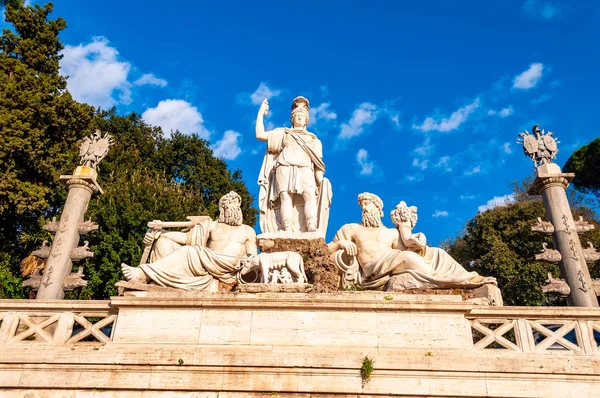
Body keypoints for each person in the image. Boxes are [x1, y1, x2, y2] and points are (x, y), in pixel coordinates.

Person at [328, 193, 495, 290]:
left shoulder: (391, 232)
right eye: (362, 205)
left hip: (392, 264)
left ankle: (465, 277)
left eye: (368, 204)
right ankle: (445, 280)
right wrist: (340, 244)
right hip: (371, 271)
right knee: (406, 258)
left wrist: (416, 239)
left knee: (438, 253)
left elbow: (409, 248)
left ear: (379, 210)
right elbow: (326, 251)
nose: (364, 208)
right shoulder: (350, 228)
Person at [121, 192, 257, 291]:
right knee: (163, 242)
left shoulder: (248, 230)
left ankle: (143, 274)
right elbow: (186, 238)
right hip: (205, 262)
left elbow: (253, 256)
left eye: (235, 204)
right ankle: (155, 280)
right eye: (228, 204)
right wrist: (160, 234)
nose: (232, 207)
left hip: (229, 267)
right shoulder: (211, 225)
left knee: (189, 251)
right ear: (222, 209)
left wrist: (248, 259)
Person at [255, 96, 331, 233]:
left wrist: (321, 181)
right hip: (284, 166)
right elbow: (260, 135)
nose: (300, 118)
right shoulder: (283, 134)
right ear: (292, 118)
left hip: (305, 168)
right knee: (285, 196)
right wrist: (261, 114)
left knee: (309, 195)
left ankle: (311, 225)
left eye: (302, 116)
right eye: (297, 115)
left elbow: (318, 165)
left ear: (307, 120)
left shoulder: (314, 140)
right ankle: (287, 227)